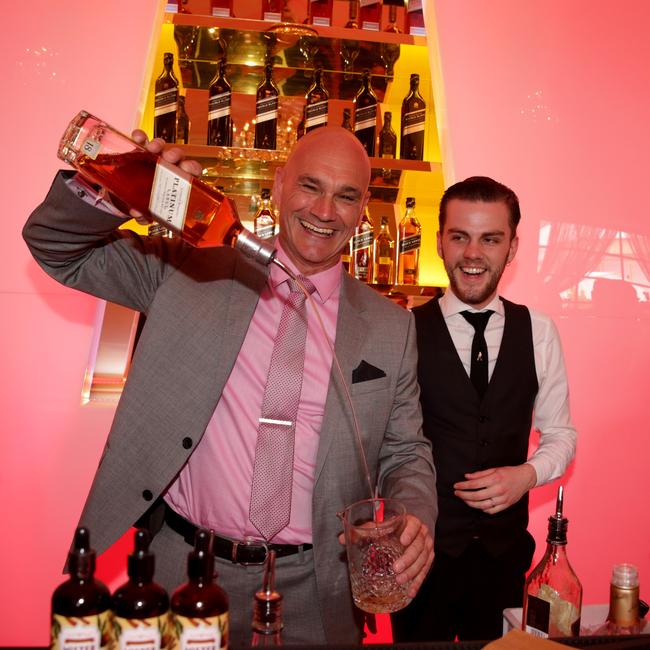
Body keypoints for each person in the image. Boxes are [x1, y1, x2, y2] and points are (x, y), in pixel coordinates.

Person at [23, 125, 436, 646]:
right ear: (280, 184)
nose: (325, 210)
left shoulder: (391, 326)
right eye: (310, 186)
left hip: (318, 588)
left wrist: (415, 514)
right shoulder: (188, 269)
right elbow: (57, 248)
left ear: (363, 209)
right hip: (184, 568)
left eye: (346, 195)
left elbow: (406, 451)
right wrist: (120, 186)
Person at [390, 176, 577, 642]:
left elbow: (562, 436)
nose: (473, 254)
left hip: (504, 559)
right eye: (460, 236)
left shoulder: (539, 331)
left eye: (490, 239)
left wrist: (526, 475)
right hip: (420, 557)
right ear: (439, 243)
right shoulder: (402, 331)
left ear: (512, 247)